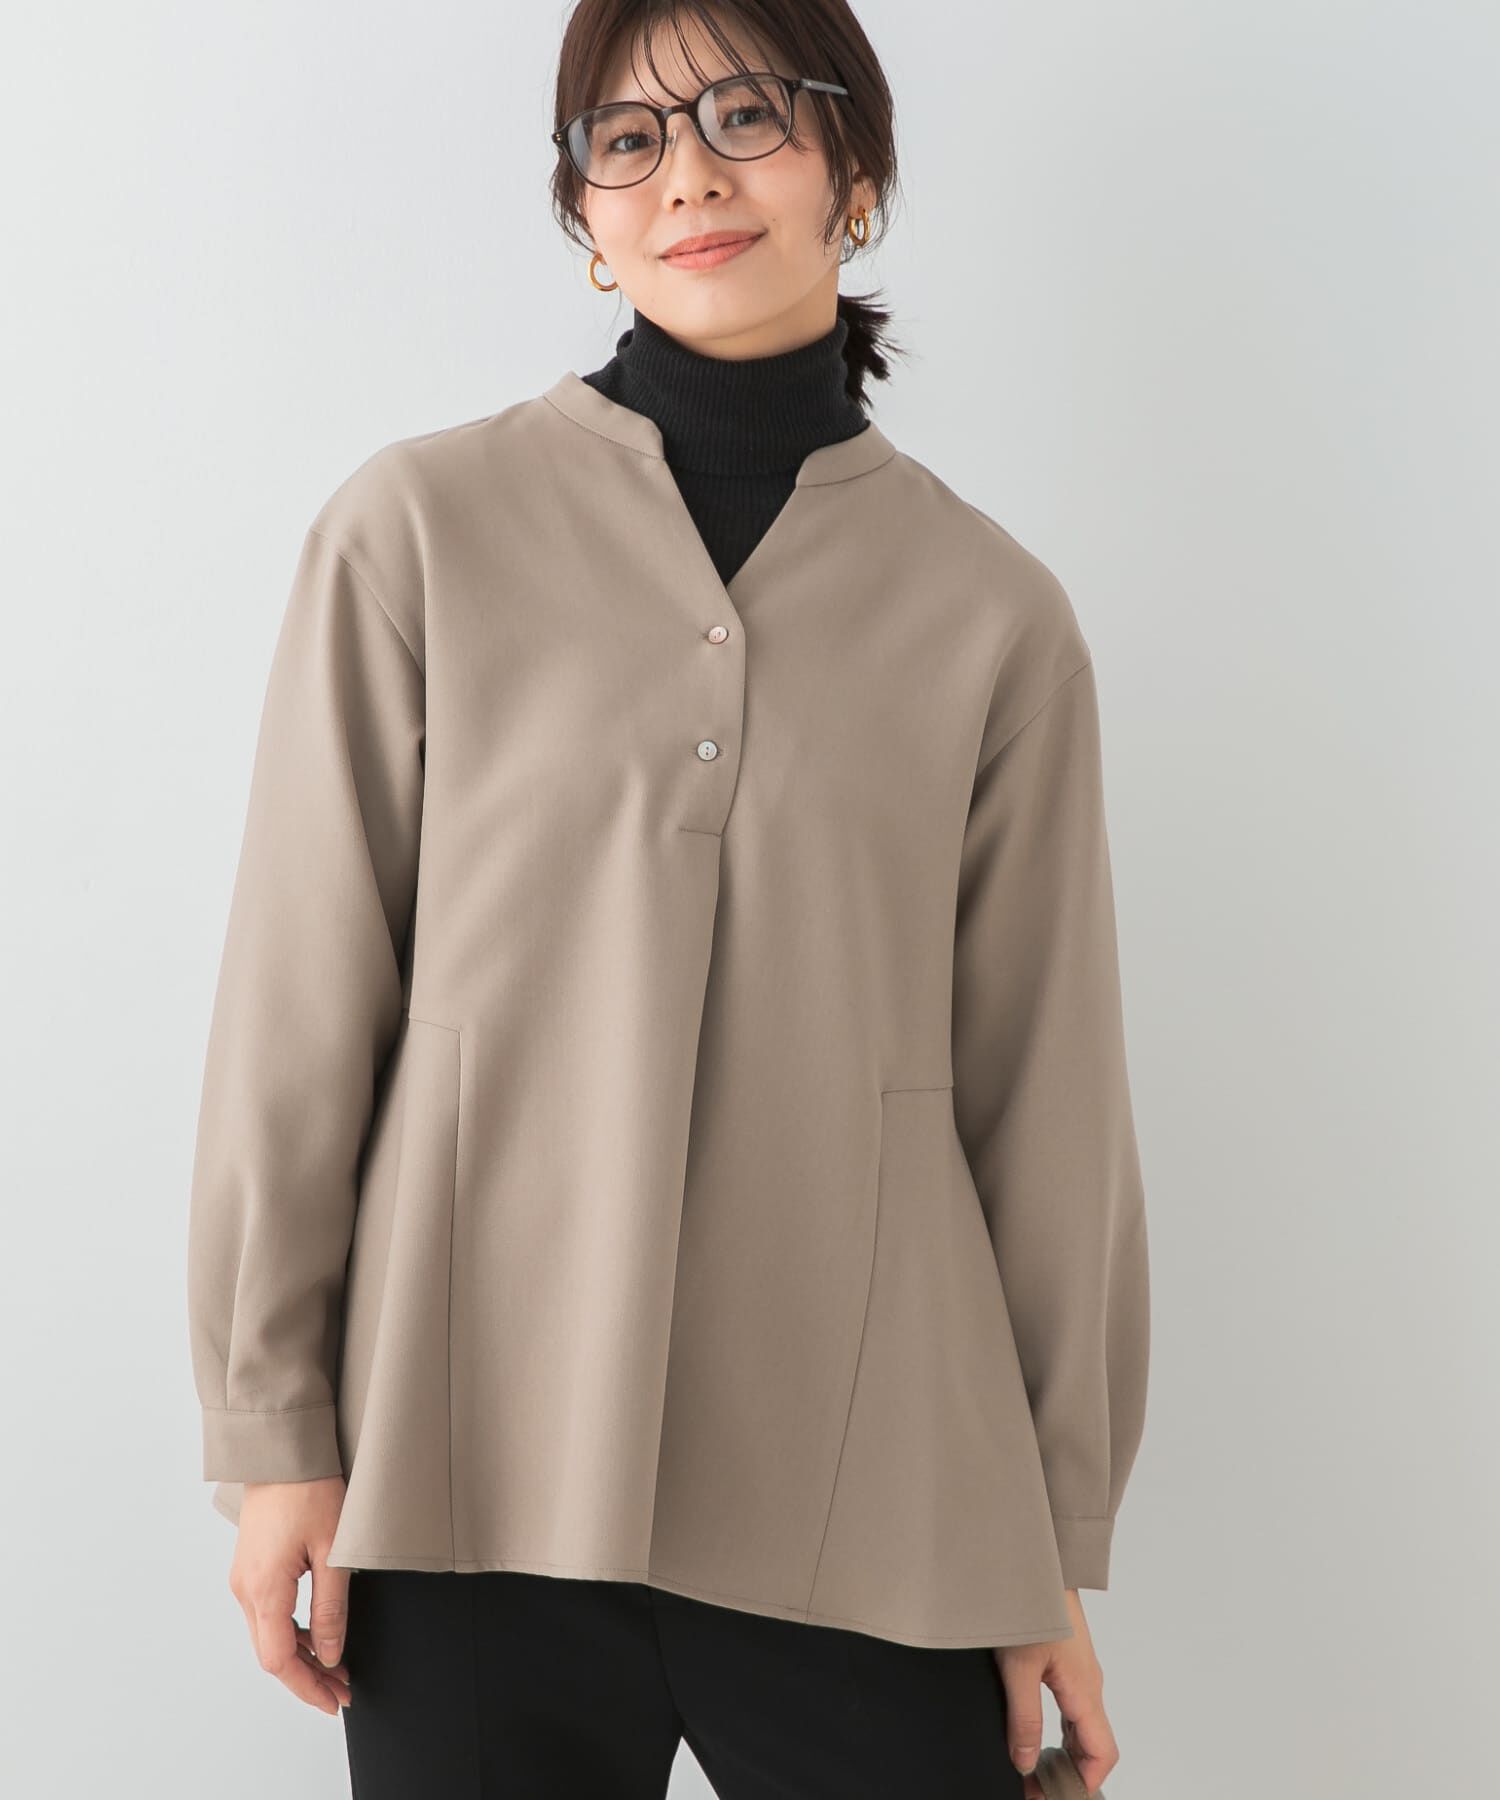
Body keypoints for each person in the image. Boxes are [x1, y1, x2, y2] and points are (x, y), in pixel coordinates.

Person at [186, 3, 1151, 1796]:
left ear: (855, 171)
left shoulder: (994, 619)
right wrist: (278, 1431)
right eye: (626, 139)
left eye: (746, 114)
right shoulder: (417, 534)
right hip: (465, 1472)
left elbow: (1049, 1114)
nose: (688, 174)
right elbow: (301, 1012)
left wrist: (1047, 1548)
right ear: (585, 212)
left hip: (878, 1497)